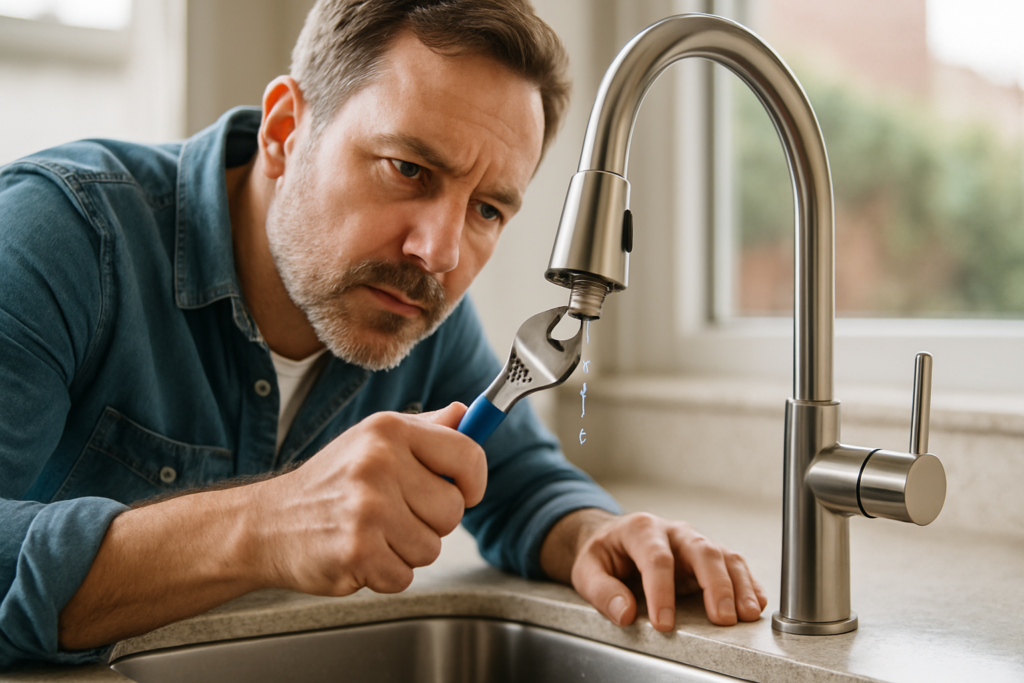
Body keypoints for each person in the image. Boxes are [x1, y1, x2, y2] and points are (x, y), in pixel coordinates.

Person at [0, 0, 767, 668]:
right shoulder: (56, 237)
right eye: (408, 169)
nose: (439, 252)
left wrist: (594, 531)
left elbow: (520, 480)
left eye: (487, 208)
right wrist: (268, 524)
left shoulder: (409, 309)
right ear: (285, 129)